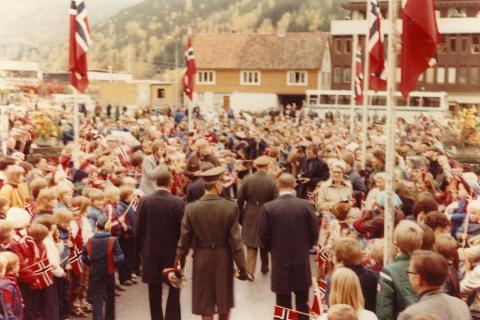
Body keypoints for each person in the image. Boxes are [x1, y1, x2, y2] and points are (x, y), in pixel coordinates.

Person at [176, 166, 251, 320]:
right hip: (223, 257)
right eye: (221, 182)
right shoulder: (230, 207)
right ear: (217, 185)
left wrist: (179, 266)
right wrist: (243, 268)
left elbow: (184, 242)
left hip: (201, 257)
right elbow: (236, 242)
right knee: (224, 300)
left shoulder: (191, 209)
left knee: (205, 302)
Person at [259, 173, 318, 320]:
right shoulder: (306, 205)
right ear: (294, 185)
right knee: (303, 302)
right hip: (301, 258)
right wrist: (306, 246)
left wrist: (273, 249)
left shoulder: (269, 207)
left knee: (282, 302)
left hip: (280, 258)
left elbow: (263, 236)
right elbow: (314, 232)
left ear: (278, 186)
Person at [136, 170, 184, 320]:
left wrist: (140, 251)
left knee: (154, 291)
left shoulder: (144, 201)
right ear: (170, 182)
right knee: (174, 288)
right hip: (172, 253)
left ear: (155, 182)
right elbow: (182, 230)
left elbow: (139, 229)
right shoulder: (178, 202)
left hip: (151, 252)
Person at [398, 250, 470, 320]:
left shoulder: (410, 315)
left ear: (418, 278)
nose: (408, 276)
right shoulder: (461, 305)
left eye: (409, 272)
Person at [237, 156, 278, 276]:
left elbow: (240, 200)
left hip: (250, 211)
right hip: (266, 211)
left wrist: (241, 215)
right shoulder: (271, 181)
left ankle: (250, 270)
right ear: (267, 166)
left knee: (251, 242)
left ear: (255, 166)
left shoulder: (247, 180)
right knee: (264, 240)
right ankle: (264, 267)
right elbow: (276, 200)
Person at [376, 220, 424, 320]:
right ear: (420, 242)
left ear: (396, 244)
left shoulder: (389, 272)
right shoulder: (431, 267)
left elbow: (383, 313)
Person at [82, 216, 124, 320]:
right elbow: (120, 257)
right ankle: (109, 317)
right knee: (110, 296)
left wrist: (91, 263)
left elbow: (84, 257)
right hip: (109, 271)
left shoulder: (90, 241)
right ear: (108, 227)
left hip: (95, 272)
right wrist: (115, 265)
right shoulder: (113, 240)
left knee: (97, 297)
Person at [331, 237, 379, 312]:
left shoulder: (335, 278)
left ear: (340, 258)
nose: (331, 258)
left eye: (333, 255)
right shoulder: (373, 276)